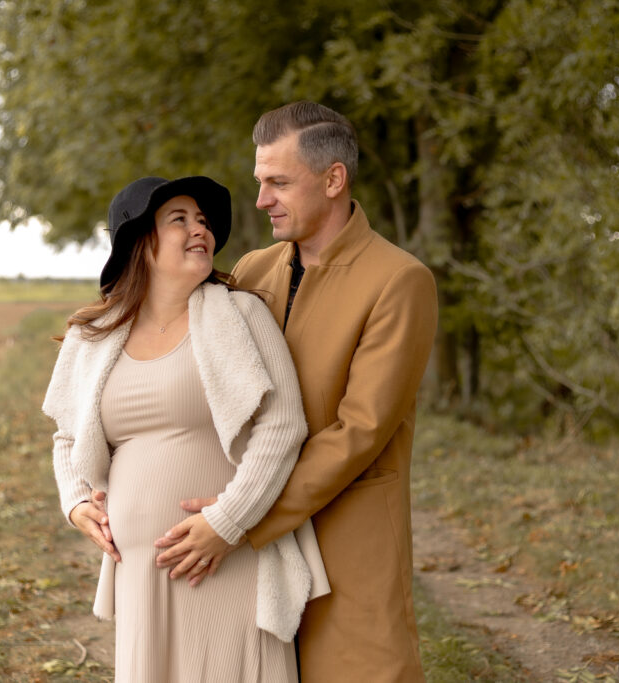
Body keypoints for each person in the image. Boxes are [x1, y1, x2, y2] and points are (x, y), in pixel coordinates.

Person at [154, 102, 438, 681]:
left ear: (333, 179)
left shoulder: (399, 281)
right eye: (260, 181)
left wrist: (238, 518)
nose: (261, 200)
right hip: (247, 543)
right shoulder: (252, 271)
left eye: (278, 182)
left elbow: (360, 431)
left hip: (347, 532)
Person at [42, 175, 329, 682]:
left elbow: (283, 425)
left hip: (228, 556)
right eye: (180, 219)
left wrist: (227, 523)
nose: (200, 229)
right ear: (139, 240)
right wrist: (76, 501)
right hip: (143, 572)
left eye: (203, 220)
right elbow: (68, 436)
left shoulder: (240, 314)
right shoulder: (93, 336)